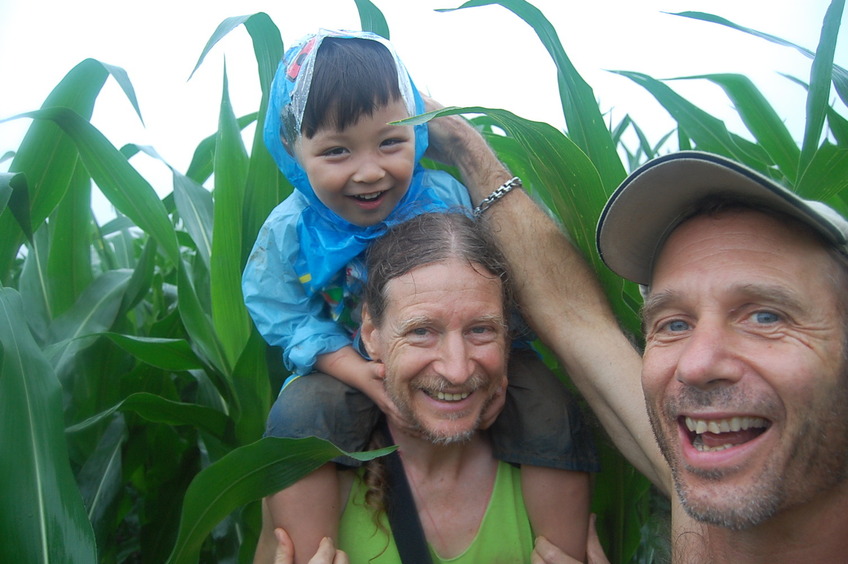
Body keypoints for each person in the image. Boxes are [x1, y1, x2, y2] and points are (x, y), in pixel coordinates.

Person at [243, 30, 597, 562]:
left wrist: (498, 365)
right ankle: (310, 547)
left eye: (391, 142)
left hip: (464, 343)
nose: (369, 170)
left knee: (546, 404)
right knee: (299, 417)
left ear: (418, 135)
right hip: (344, 360)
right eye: (337, 151)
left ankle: (560, 548)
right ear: (293, 149)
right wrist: (351, 368)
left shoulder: (446, 200)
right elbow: (281, 310)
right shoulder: (291, 231)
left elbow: (495, 295)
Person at [432, 113, 848, 564]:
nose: (696, 365)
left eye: (765, 316)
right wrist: (464, 148)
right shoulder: (704, 476)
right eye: (674, 324)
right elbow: (574, 319)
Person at [255, 212, 593, 563]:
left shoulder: (550, 466)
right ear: (371, 334)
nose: (457, 371)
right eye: (421, 331)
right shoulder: (311, 475)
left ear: (509, 336)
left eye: (481, 330)